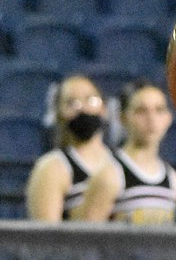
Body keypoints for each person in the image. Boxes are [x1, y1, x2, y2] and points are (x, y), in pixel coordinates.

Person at [77, 80, 176, 225]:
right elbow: (84, 239)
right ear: (123, 118)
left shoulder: (175, 182)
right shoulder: (109, 176)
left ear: (168, 118)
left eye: (159, 110)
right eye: (141, 111)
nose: (151, 119)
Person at [25, 75, 116, 222]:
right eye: (71, 102)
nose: (83, 108)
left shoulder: (120, 163)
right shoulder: (52, 167)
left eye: (91, 99)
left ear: (104, 108)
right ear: (59, 114)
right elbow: (45, 237)